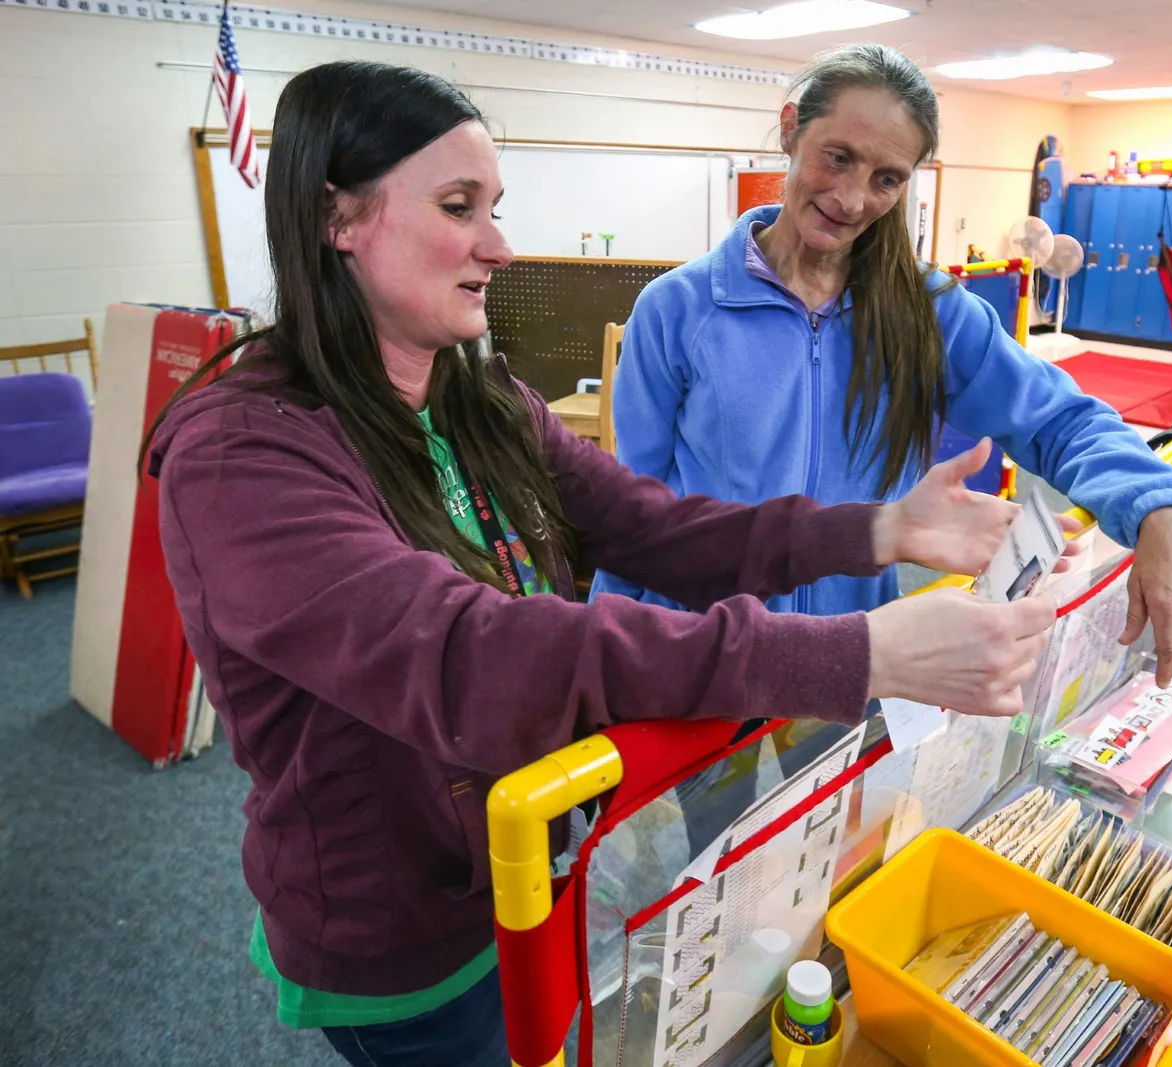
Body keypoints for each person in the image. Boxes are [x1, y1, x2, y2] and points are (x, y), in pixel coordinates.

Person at [142, 61, 1061, 1067]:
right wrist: (855, 651)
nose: (498, 245)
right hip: (402, 931)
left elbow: (654, 525)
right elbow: (471, 651)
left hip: (534, 862)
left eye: (494, 208)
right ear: (338, 218)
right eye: (460, 208)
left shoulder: (473, 389)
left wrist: (873, 532)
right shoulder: (243, 451)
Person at [595, 44, 1172, 684]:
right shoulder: (679, 309)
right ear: (791, 129)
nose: (851, 199)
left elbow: (1059, 420)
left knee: (833, 791)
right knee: (707, 791)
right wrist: (611, 666)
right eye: (837, 157)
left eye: (886, 180)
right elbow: (634, 517)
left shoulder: (928, 311)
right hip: (713, 651)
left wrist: (1163, 510)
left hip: (862, 656)